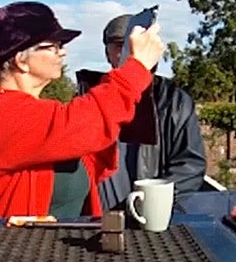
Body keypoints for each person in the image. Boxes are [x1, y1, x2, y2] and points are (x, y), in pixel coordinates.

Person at [0, 1, 165, 219]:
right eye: (54, 45)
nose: (63, 53)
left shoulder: (39, 112)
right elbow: (81, 124)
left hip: (53, 249)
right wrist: (136, 68)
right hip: (14, 249)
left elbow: (86, 141)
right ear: (21, 60)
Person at [76, 14, 206, 211]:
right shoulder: (87, 100)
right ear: (107, 53)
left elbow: (191, 165)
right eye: (119, 45)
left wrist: (147, 202)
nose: (128, 53)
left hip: (150, 222)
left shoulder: (175, 101)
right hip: (96, 221)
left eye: (135, 45)